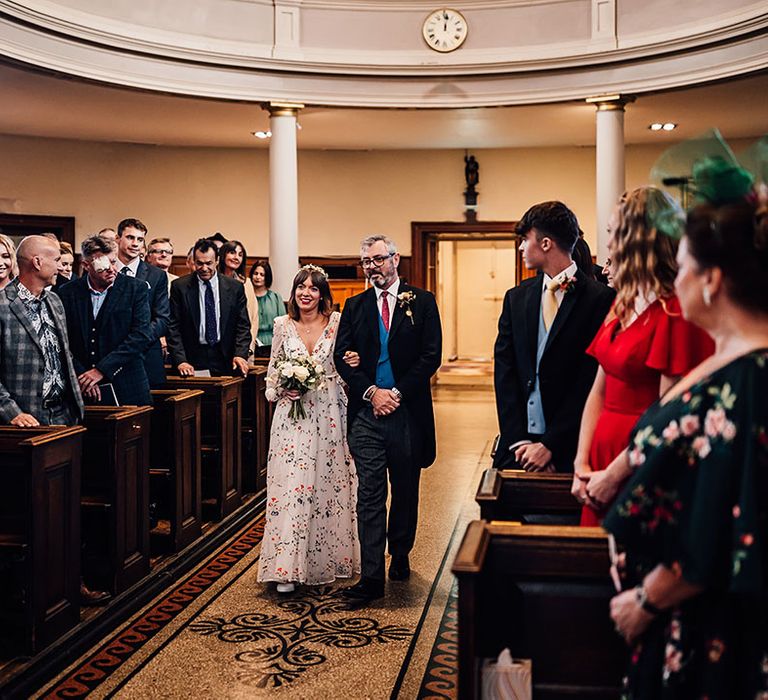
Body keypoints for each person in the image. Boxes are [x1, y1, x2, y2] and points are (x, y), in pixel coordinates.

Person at [603, 159, 768, 699]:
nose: (676, 280)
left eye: (683, 266)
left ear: (713, 280)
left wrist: (646, 601)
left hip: (707, 623)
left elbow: (722, 528)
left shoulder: (744, 388)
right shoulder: (732, 362)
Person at [573, 187, 714, 525]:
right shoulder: (621, 304)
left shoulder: (674, 312)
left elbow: (669, 416)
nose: (608, 244)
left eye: (612, 233)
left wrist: (613, 474)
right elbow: (599, 390)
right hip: (600, 454)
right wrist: (581, 463)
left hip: (639, 460)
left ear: (639, 238)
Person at [334, 235, 442, 604]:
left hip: (407, 412)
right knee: (370, 493)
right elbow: (341, 357)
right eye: (366, 262)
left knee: (406, 488)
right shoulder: (354, 305)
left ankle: (400, 550)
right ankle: (370, 576)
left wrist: (395, 394)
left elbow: (430, 357)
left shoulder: (422, 302)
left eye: (378, 259)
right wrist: (370, 393)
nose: (372, 267)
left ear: (395, 259)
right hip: (366, 414)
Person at [258, 265, 360, 593]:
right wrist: (282, 389)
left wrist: (355, 364)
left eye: (313, 288)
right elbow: (271, 375)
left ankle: (325, 560)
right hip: (293, 417)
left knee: (326, 486)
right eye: (301, 287)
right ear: (293, 292)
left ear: (322, 294)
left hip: (330, 411)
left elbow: (346, 366)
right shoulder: (281, 326)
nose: (306, 293)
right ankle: (287, 567)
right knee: (292, 487)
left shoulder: (337, 323)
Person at [493, 201, 615, 472]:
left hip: (571, 445)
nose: (521, 247)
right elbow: (505, 372)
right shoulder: (516, 298)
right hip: (517, 445)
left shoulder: (600, 299)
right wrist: (518, 441)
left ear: (546, 243)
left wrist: (551, 445)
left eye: (525, 239)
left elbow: (591, 378)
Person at [58, 235, 153, 406]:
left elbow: (141, 336)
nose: (111, 269)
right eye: (102, 265)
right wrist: (84, 377)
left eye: (113, 262)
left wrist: (101, 370)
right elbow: (62, 341)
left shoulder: (136, 288)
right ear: (86, 266)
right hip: (81, 386)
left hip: (128, 384)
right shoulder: (67, 292)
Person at [0, 235, 84, 426]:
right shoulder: (2, 304)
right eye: (56, 261)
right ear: (37, 262)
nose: (60, 267)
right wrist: (12, 412)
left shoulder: (54, 301)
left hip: (65, 415)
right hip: (24, 419)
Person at [166, 238, 251, 377]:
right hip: (191, 358)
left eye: (208, 263)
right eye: (199, 263)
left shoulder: (234, 287)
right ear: (193, 261)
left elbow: (243, 325)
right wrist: (180, 360)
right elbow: (173, 326)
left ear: (217, 260)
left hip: (225, 357)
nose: (204, 268)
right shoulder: (180, 287)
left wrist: (240, 354)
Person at [114, 218, 170, 388]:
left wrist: (138, 340)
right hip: (112, 354)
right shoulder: (106, 271)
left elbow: (162, 318)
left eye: (140, 239)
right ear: (118, 239)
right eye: (130, 238)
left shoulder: (156, 275)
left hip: (146, 355)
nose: (135, 244)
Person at [247, 259, 284, 357]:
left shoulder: (276, 297)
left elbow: (282, 324)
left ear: (267, 277)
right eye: (255, 273)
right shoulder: (246, 296)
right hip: (250, 344)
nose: (258, 277)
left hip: (272, 345)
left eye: (262, 275)